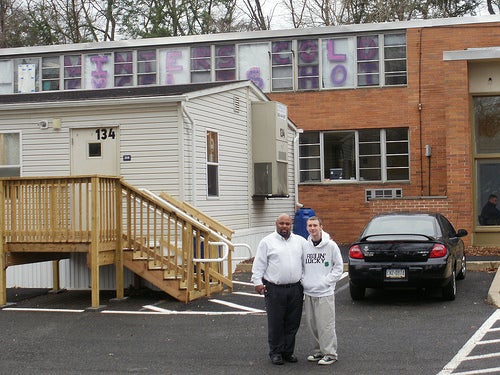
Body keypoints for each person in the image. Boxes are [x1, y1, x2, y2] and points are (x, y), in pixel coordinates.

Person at [251, 213, 307, 365]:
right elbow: (259, 264)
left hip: (295, 289)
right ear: (276, 224)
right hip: (274, 289)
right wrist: (257, 281)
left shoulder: (300, 242)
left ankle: (288, 352)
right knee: (276, 322)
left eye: (287, 224)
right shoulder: (267, 242)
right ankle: (275, 352)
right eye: (281, 223)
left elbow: (310, 254)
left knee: (292, 322)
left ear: (291, 225)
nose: (284, 226)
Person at [301, 216, 344, 366]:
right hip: (309, 292)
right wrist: (304, 280)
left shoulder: (331, 246)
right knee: (313, 324)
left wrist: (326, 282)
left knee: (325, 324)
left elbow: (338, 268)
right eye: (309, 226)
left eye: (315, 225)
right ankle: (318, 351)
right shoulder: (305, 246)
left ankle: (330, 353)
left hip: (324, 293)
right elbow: (301, 267)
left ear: (321, 227)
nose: (312, 228)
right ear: (307, 228)